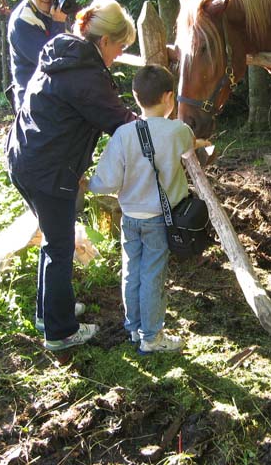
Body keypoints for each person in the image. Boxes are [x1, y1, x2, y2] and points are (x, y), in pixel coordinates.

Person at [5, 0, 138, 352]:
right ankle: (60, 331)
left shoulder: (62, 51)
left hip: (24, 158)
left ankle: (50, 311)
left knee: (54, 242)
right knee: (60, 246)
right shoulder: (86, 76)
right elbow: (122, 124)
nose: (119, 55)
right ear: (105, 40)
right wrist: (162, 130)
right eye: (120, 47)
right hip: (47, 171)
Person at [86, 65, 198, 355]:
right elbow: (189, 149)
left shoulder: (123, 134)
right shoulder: (179, 131)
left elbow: (107, 182)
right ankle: (152, 336)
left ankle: (134, 327)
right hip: (160, 220)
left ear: (136, 98)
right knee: (153, 275)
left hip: (130, 218)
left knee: (131, 271)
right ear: (169, 97)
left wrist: (88, 184)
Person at [7, 0, 69, 113]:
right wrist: (59, 24)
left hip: (54, 100)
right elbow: (51, 61)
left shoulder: (54, 10)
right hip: (33, 106)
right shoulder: (22, 21)